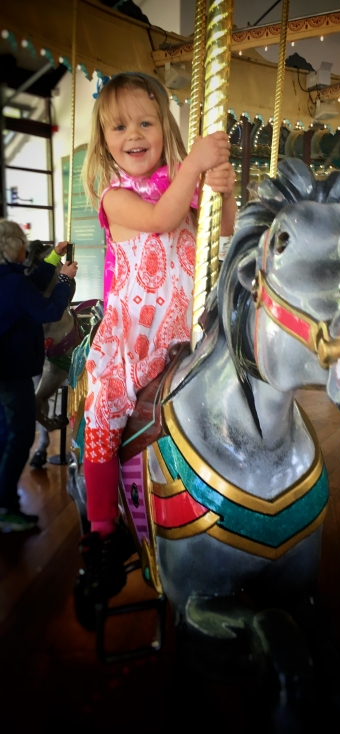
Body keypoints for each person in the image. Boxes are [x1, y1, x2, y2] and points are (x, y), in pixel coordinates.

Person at [77, 72, 236, 603]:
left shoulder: (183, 192)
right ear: (104, 142)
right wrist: (193, 167)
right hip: (133, 345)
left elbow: (223, 232)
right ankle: (101, 534)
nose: (134, 134)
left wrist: (223, 192)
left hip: (188, 342)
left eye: (146, 122)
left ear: (164, 128)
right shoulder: (116, 199)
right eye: (119, 126)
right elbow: (164, 217)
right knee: (100, 417)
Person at [0, 221, 78, 531]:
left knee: (6, 433)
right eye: (22, 243)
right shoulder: (14, 285)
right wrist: (64, 280)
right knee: (19, 436)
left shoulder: (11, 278)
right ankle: (6, 507)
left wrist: (54, 259)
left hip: (8, 368)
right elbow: (47, 310)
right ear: (12, 247)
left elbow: (32, 283)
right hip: (12, 369)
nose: (24, 248)